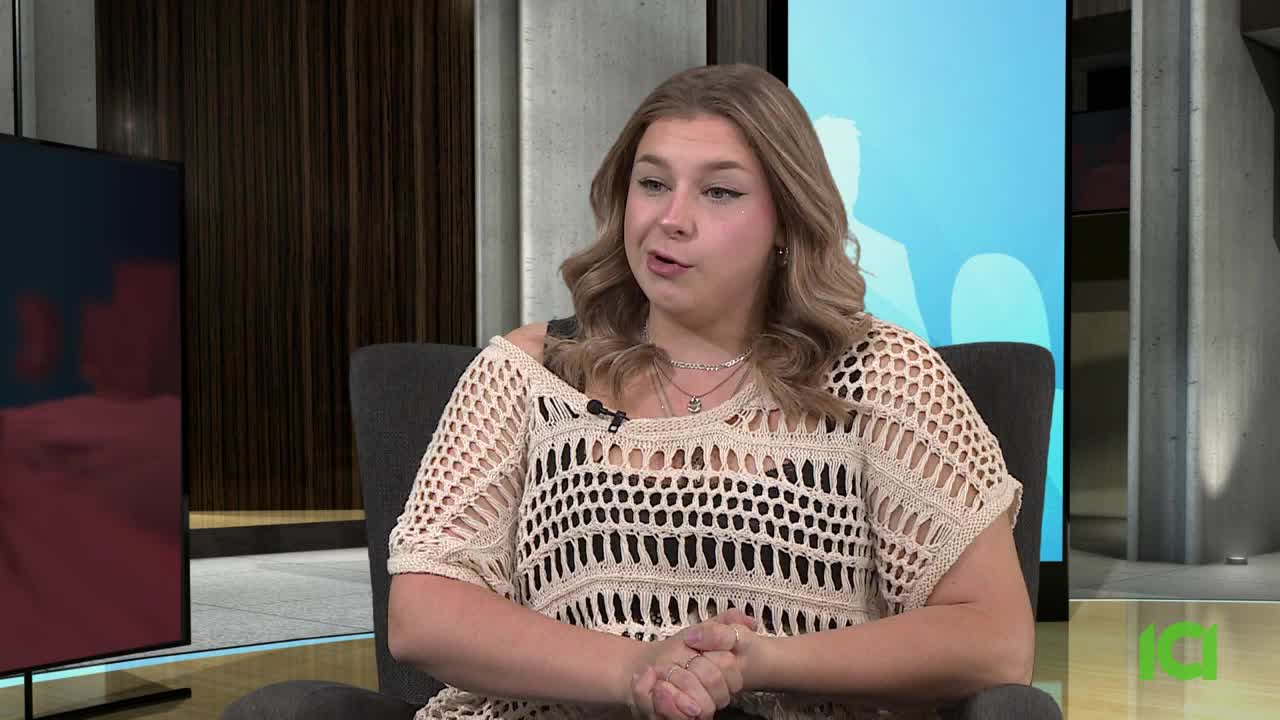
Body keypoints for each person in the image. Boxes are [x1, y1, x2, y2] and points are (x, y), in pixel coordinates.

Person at [386, 64, 1034, 720]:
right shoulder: (532, 371)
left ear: (786, 218)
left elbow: (995, 641)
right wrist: (636, 671)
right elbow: (424, 613)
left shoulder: (878, 375)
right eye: (652, 183)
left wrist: (761, 663)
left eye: (719, 192)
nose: (672, 218)